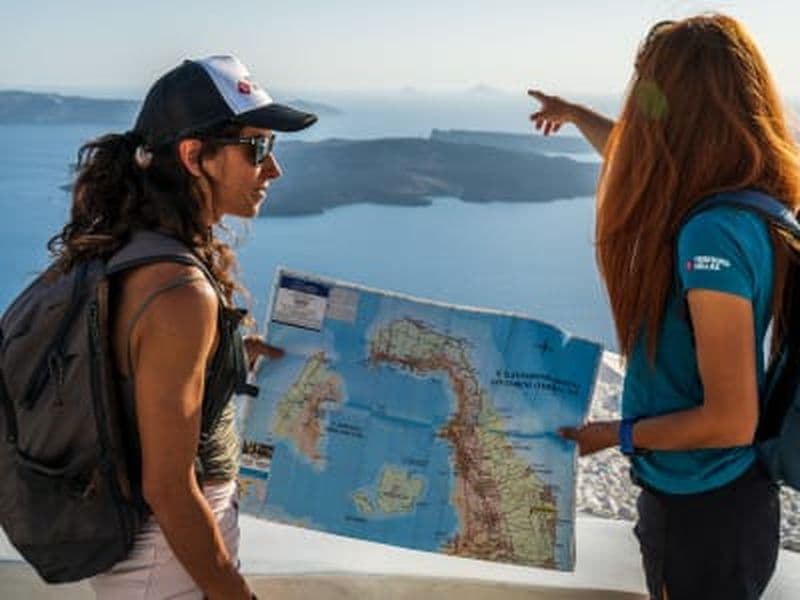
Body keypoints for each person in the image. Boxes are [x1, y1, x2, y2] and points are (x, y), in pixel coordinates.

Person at [530, 15, 800, 600]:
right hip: (718, 504)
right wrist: (576, 115)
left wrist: (613, 434)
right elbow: (637, 159)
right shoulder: (751, 200)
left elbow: (731, 419)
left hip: (705, 512)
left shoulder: (713, 235)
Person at [47, 55, 317, 599]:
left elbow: (135, 374)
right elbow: (169, 489)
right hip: (171, 569)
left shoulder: (129, 248)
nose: (274, 169)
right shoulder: (179, 292)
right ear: (196, 156)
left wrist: (226, 358)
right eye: (258, 149)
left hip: (153, 561)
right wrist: (231, 592)